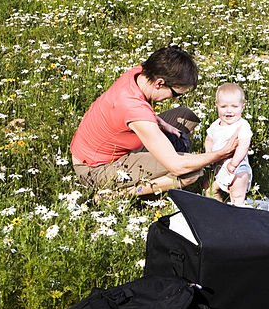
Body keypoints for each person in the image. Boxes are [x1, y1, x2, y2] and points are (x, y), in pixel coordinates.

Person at [70, 46, 237, 196]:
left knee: (185, 115)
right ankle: (116, 196)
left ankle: (158, 157)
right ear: (159, 83)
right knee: (191, 172)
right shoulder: (134, 109)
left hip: (102, 148)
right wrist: (218, 154)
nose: (173, 99)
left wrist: (162, 123)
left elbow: (125, 112)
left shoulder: (139, 74)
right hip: (95, 169)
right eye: (175, 94)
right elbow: (176, 165)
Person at [205, 83, 253, 206]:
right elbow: (209, 138)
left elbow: (244, 145)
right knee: (210, 191)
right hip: (218, 167)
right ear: (217, 106)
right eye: (223, 106)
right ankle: (218, 210)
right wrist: (208, 153)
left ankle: (238, 209)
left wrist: (234, 164)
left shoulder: (242, 125)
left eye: (234, 106)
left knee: (236, 192)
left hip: (237, 168)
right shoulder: (216, 124)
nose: (229, 111)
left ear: (242, 107)